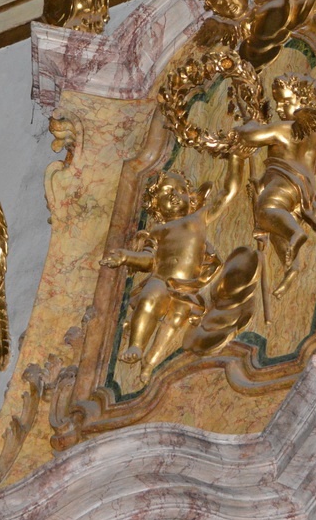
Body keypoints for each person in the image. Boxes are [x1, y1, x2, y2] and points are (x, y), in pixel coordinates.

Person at [101, 153, 247, 383]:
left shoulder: (198, 218)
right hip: (161, 278)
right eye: (166, 194)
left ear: (190, 195)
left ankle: (150, 363)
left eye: (179, 190)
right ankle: (136, 345)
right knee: (150, 298)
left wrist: (236, 159)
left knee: (175, 320)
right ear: (156, 207)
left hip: (188, 286)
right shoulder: (158, 231)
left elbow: (227, 193)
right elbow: (149, 260)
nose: (175, 196)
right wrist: (126, 257)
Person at [237, 74, 316, 296]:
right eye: (277, 103)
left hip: (284, 180)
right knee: (277, 229)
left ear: (303, 102)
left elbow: (251, 136)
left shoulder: (287, 128)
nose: (279, 108)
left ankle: (296, 234)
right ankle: (291, 267)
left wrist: (250, 125)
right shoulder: (314, 136)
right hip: (304, 191)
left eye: (286, 102)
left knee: (266, 212)